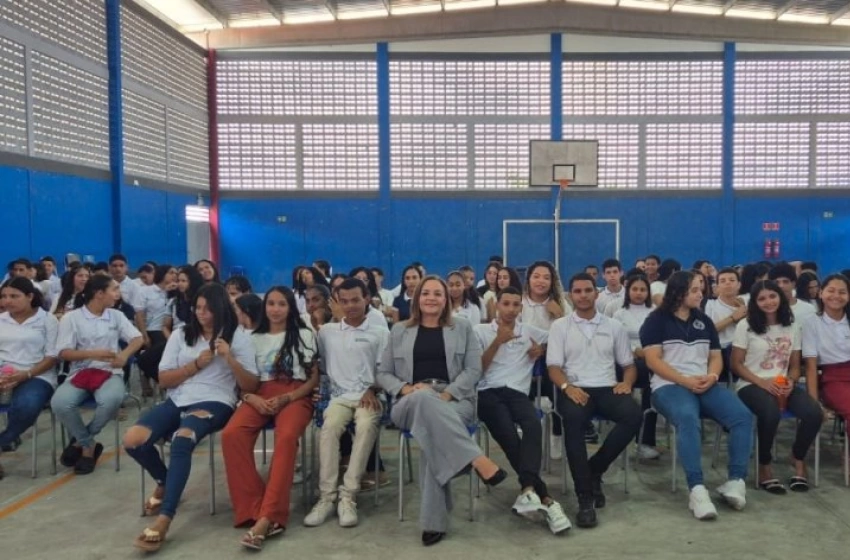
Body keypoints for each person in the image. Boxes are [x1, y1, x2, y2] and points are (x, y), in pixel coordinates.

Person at [127, 283, 258, 552]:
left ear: (220, 310)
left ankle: (165, 517)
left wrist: (229, 358)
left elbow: (251, 385)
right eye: (198, 308)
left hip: (217, 400)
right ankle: (166, 482)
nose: (202, 314)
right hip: (178, 398)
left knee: (182, 438)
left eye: (208, 309)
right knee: (133, 440)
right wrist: (195, 365)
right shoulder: (180, 335)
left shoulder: (238, 337)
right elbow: (164, 379)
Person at [376, 275, 506, 546]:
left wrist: (447, 394)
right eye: (426, 293)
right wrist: (405, 389)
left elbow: (473, 370)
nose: (431, 298)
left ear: (446, 299)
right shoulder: (399, 330)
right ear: (417, 298)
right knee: (424, 401)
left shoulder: (462, 328)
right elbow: (383, 373)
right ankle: (476, 459)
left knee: (431, 436)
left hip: (454, 399)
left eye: (437, 293)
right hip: (408, 402)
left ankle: (433, 522)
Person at [641, 271, 753, 520]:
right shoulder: (655, 321)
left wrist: (711, 377)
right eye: (694, 290)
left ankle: (735, 481)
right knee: (688, 419)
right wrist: (685, 380)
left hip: (704, 383)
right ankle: (697, 489)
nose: (700, 294)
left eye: (701, 289)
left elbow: (715, 357)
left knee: (742, 416)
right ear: (678, 292)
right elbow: (653, 361)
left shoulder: (703, 321)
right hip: (668, 386)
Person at [220, 286, 318, 551]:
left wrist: (289, 398)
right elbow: (245, 382)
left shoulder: (305, 334)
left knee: (286, 438)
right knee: (231, 435)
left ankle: (269, 517)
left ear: (290, 308)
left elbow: (313, 378)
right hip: (259, 393)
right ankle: (254, 506)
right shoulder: (251, 337)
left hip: (295, 394)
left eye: (281, 304)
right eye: (270, 304)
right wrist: (252, 399)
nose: (275, 309)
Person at [547, 273, 642, 529]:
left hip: (608, 387)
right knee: (573, 422)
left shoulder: (614, 326)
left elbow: (628, 365)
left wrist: (627, 383)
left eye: (587, 290)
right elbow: (553, 367)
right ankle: (585, 497)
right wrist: (567, 387)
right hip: (576, 388)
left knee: (634, 416)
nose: (583, 295)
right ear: (570, 296)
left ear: (596, 293)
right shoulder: (560, 326)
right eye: (577, 291)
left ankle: (594, 468)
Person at [474, 287, 570, 534]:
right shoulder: (480, 331)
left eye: (516, 305)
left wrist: (544, 350)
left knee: (532, 425)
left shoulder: (529, 332)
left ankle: (529, 491)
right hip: (487, 392)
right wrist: (498, 341)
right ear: (497, 305)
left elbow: (564, 337)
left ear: (521, 308)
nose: (511, 309)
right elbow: (476, 371)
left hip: (517, 392)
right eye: (506, 304)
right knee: (506, 432)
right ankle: (545, 497)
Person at [304, 278, 388, 529]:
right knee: (329, 428)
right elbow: (319, 367)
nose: (350, 306)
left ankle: (348, 495)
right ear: (337, 303)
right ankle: (326, 497)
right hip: (339, 398)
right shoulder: (327, 333)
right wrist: (315, 390)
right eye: (345, 301)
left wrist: (373, 388)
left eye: (356, 300)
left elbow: (388, 370)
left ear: (367, 300)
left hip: (370, 396)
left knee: (365, 426)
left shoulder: (380, 333)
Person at [731, 280, 822, 493]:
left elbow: (794, 365)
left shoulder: (792, 326)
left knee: (814, 413)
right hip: (751, 384)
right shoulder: (746, 325)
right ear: (754, 302)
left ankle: (798, 458)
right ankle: (765, 466)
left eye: (772, 296)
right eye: (761, 298)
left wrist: (790, 381)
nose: (768, 302)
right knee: (770, 413)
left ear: (780, 297)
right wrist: (762, 382)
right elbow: (735, 364)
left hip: (783, 384)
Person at [52, 275, 143, 475]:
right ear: (99, 294)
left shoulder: (116, 316)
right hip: (80, 372)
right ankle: (88, 446)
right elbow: (63, 352)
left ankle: (80, 442)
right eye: (114, 289)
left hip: (109, 372)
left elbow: (137, 338)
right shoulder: (71, 318)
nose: (118, 294)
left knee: (111, 400)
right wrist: (94, 353)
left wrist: (124, 355)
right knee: (60, 403)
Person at [0, 278, 59, 479]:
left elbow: (52, 356)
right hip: (4, 373)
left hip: (37, 375)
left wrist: (25, 374)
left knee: (27, 405)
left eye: (14, 296)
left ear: (30, 296)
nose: (7, 301)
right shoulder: (1, 319)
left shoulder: (47, 320)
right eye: (4, 296)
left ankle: (5, 439)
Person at [522, 261, 572, 456]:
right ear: (529, 279)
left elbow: (570, 334)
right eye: (536, 276)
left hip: (553, 360)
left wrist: (559, 315)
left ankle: (557, 434)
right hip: (524, 360)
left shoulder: (560, 304)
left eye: (546, 277)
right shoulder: (519, 302)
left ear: (552, 282)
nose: (541, 281)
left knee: (558, 394)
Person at [611, 274, 659, 460]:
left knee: (652, 390)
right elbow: (614, 342)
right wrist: (634, 351)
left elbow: (661, 340)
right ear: (628, 291)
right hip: (625, 360)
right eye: (635, 289)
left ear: (648, 292)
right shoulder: (619, 314)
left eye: (643, 289)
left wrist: (647, 353)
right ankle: (622, 439)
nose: (639, 293)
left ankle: (645, 442)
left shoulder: (655, 312)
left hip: (651, 360)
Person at [802, 274, 850, 424]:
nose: (836, 296)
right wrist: (814, 404)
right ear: (821, 293)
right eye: (831, 291)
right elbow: (810, 367)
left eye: (842, 292)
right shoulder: (811, 323)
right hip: (833, 379)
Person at [704, 268, 747, 382]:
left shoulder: (745, 305)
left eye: (732, 280)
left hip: (744, 348)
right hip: (721, 349)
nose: (727, 283)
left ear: (739, 285)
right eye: (722, 281)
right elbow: (708, 331)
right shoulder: (710, 305)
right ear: (717, 286)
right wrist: (732, 318)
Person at [769, 262, 817, 330]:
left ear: (793, 284)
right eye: (776, 282)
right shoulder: (768, 310)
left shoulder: (808, 309)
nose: (781, 286)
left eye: (785, 282)